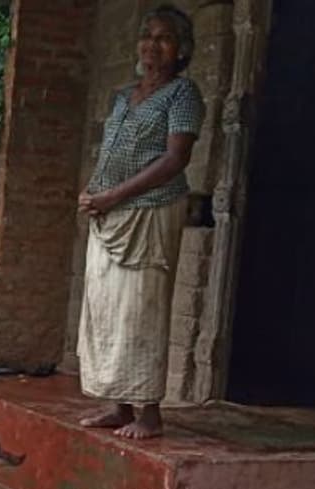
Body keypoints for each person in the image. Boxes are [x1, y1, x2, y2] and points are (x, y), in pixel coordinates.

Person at [76, 3, 203, 440]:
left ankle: (149, 413)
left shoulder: (183, 95)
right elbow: (111, 152)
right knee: (108, 309)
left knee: (142, 308)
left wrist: (112, 195)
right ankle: (119, 404)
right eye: (147, 36)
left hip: (149, 211)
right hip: (109, 214)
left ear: (181, 49)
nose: (152, 44)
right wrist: (95, 193)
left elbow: (175, 159)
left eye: (164, 38)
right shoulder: (123, 96)